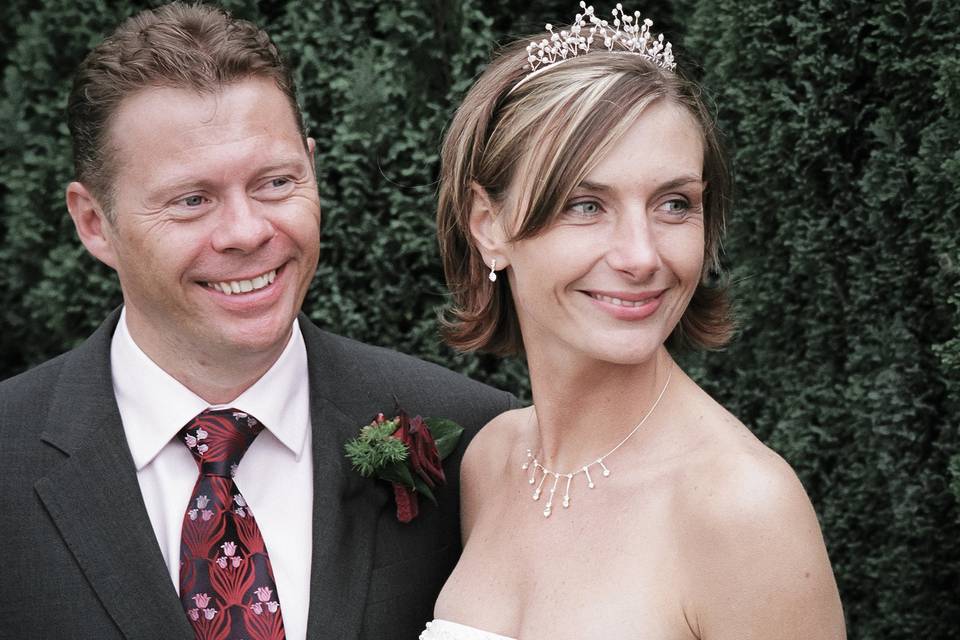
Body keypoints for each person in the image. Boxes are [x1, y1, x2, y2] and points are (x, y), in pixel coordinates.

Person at [0, 3, 514, 639]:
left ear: (313, 169)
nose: (247, 232)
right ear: (93, 223)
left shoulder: (476, 442)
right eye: (192, 200)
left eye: (275, 182)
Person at [425, 4, 846, 639]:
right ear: (489, 227)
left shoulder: (742, 507)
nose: (642, 256)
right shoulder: (492, 462)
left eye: (674, 204)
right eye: (587, 205)